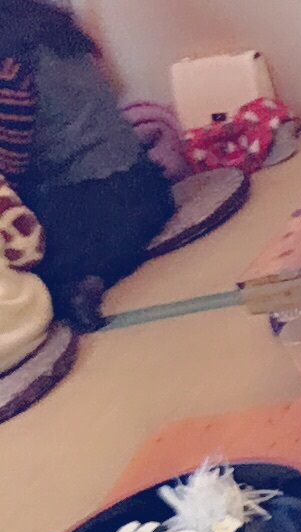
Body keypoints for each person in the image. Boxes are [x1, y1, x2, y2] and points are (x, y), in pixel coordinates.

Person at [0, 0, 174, 330]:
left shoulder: (9, 61)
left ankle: (74, 288)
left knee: (16, 267)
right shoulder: (48, 24)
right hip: (150, 190)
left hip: (87, 213)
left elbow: (11, 171)